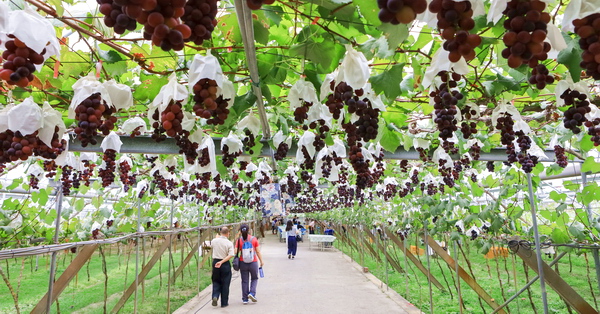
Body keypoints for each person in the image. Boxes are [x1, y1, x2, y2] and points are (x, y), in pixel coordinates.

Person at [235, 224, 264, 304]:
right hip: (253, 262)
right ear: (249, 230)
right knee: (254, 278)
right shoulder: (253, 239)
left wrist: (237, 238)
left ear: (240, 231)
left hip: (242, 262)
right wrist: (261, 261)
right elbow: (258, 251)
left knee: (244, 280)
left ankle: (245, 299)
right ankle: (252, 293)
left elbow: (235, 251)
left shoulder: (239, 240)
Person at [211, 227, 234, 308]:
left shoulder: (214, 241)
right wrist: (222, 262)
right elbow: (231, 254)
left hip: (215, 262)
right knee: (225, 282)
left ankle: (215, 295)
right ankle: (224, 303)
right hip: (224, 263)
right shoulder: (229, 243)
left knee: (216, 280)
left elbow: (211, 246)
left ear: (220, 233)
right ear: (228, 233)